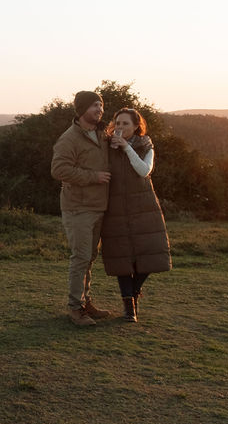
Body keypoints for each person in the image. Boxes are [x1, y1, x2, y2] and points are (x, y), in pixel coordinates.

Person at [101, 108, 172, 322]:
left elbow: (144, 171)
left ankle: (133, 292)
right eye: (118, 123)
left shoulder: (146, 146)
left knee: (152, 252)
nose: (120, 127)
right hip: (115, 208)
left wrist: (126, 148)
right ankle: (129, 308)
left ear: (136, 126)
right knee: (121, 256)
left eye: (126, 124)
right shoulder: (107, 147)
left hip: (143, 207)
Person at [51, 90, 113, 326]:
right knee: (80, 258)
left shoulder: (101, 134)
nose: (100, 109)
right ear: (81, 110)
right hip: (78, 208)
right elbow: (58, 170)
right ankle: (75, 309)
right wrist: (92, 176)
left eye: (101, 105)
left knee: (89, 258)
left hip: (99, 206)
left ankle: (86, 302)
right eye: (94, 105)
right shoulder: (69, 139)